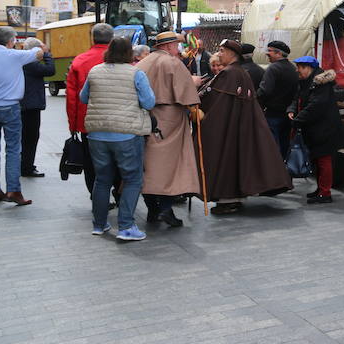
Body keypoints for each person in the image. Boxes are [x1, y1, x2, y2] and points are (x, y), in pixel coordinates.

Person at [198, 39, 291, 214]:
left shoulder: (231, 73)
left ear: (232, 53)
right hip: (238, 126)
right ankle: (232, 198)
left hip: (230, 127)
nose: (219, 54)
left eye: (222, 50)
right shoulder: (240, 72)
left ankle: (229, 199)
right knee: (234, 160)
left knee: (228, 160)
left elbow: (212, 97)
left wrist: (197, 97)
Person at [80, 36, 155, 241]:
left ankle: (99, 224)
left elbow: (83, 98)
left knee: (102, 179)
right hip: (127, 134)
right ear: (130, 53)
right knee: (132, 179)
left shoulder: (95, 71)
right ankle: (126, 226)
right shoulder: (136, 73)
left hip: (97, 134)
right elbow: (149, 102)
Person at [136, 32, 202, 227]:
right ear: (169, 46)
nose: (178, 49)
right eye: (176, 45)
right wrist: (194, 82)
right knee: (170, 167)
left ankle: (153, 209)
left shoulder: (143, 63)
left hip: (147, 117)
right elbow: (188, 95)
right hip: (171, 120)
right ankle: (165, 208)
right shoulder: (172, 63)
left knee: (149, 166)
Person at [287, 56, 344, 204]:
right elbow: (297, 98)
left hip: (324, 130)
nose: (297, 70)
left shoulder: (321, 84)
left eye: (300, 67)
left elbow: (316, 106)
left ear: (309, 68)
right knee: (318, 160)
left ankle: (325, 193)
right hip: (315, 129)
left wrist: (298, 120)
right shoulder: (306, 82)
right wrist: (292, 110)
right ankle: (320, 189)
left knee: (324, 160)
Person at [0, 26, 44, 205]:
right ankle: (13, 190)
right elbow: (38, 53)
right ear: (11, 41)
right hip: (10, 107)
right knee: (13, 149)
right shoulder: (14, 56)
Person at [66, 22, 114, 195]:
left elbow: (71, 97)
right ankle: (117, 191)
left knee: (91, 161)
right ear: (112, 38)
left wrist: (73, 125)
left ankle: (97, 195)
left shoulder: (80, 60)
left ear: (92, 37)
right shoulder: (122, 60)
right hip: (118, 121)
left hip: (88, 121)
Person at [256, 40, 299, 159]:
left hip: (273, 113)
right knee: (285, 144)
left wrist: (255, 98)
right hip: (288, 114)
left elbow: (264, 90)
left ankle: (275, 172)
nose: (267, 53)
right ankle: (285, 171)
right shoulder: (293, 68)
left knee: (272, 146)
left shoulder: (273, 68)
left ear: (278, 53)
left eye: (269, 51)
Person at [20, 37, 55, 178]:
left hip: (24, 104)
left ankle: (24, 165)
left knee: (24, 137)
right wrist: (46, 54)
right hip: (31, 105)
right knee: (31, 137)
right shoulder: (31, 63)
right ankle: (27, 167)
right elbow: (50, 70)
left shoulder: (22, 61)